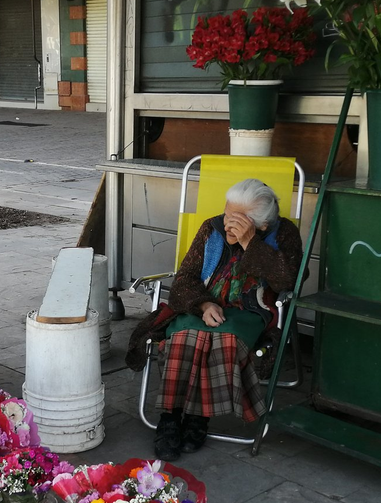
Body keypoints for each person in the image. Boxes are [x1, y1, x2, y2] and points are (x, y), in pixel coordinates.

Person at [126, 179, 303, 460]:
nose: (227, 222)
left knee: (224, 341)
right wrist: (204, 303)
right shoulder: (212, 228)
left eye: (238, 220)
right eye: (227, 212)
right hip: (200, 306)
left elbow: (288, 281)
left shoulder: (284, 234)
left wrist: (250, 243)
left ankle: (197, 418)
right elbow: (185, 278)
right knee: (185, 339)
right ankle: (170, 419)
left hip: (248, 312)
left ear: (262, 225)